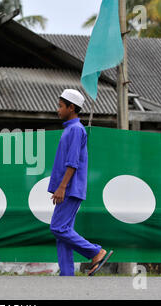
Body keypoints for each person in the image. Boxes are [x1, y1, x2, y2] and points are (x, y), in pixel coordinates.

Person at [48, 89, 113, 276]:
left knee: (58, 228)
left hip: (69, 188)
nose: (58, 110)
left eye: (61, 106)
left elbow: (72, 162)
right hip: (67, 188)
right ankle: (67, 274)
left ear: (71, 108)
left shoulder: (76, 130)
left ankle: (95, 251)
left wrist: (62, 187)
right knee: (64, 232)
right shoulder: (70, 129)